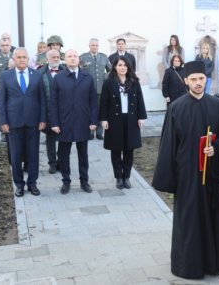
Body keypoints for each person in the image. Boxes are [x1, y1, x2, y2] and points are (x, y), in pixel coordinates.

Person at [152, 60, 219, 279]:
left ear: (206, 80)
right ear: (186, 81)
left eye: (201, 79)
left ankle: (213, 262)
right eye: (194, 79)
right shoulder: (176, 108)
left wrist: (216, 150)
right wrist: (169, 179)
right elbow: (168, 145)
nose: (198, 83)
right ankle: (187, 265)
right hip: (187, 176)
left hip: (211, 175)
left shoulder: (217, 106)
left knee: (212, 215)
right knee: (189, 220)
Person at [0, 48, 47, 197]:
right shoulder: (5, 76)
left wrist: (43, 119)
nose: (22, 59)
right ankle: (19, 185)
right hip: (13, 122)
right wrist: (3, 122)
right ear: (13, 58)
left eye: (24, 57)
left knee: (33, 154)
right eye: (19, 57)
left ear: (28, 58)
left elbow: (42, 100)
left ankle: (32, 183)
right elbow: (1, 101)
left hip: (33, 122)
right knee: (16, 155)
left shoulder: (37, 75)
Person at [50, 49, 98, 194]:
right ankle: (66, 181)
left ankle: (84, 181)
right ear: (65, 59)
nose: (72, 58)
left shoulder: (87, 77)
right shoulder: (58, 78)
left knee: (83, 154)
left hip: (83, 121)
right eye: (69, 56)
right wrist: (54, 123)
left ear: (79, 59)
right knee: (64, 154)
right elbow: (53, 102)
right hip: (64, 122)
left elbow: (93, 102)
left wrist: (93, 121)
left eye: (75, 56)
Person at [99, 56, 147, 189]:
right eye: (120, 65)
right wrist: (103, 119)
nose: (122, 67)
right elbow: (104, 102)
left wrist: (141, 117)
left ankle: (127, 177)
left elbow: (140, 100)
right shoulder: (109, 83)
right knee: (116, 149)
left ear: (128, 67)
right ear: (115, 66)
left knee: (129, 150)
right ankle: (118, 178)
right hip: (114, 119)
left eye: (125, 65)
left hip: (131, 119)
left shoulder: (134, 81)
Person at [38, 49, 66, 174]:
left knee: (64, 138)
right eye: (53, 57)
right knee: (50, 139)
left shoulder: (66, 71)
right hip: (49, 111)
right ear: (47, 58)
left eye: (57, 56)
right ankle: (52, 163)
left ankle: (61, 162)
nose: (56, 59)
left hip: (64, 111)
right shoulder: (40, 73)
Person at [80, 38, 111, 140]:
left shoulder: (104, 57)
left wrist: (104, 77)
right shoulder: (83, 57)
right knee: (89, 111)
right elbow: (78, 72)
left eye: (96, 45)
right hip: (87, 90)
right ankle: (89, 132)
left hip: (101, 89)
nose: (95, 47)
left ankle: (99, 132)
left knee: (100, 111)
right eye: (93, 45)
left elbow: (111, 70)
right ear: (89, 46)